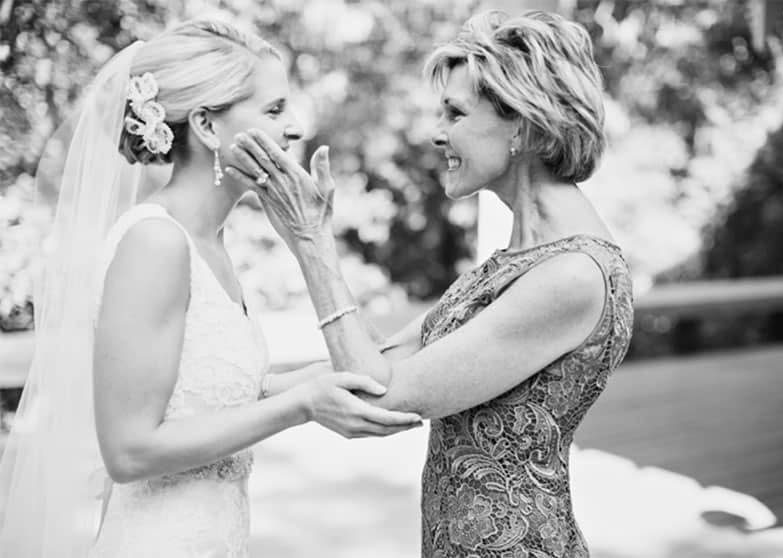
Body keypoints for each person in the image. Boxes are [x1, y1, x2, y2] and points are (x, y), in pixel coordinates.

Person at [0, 19, 420, 557]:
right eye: (274, 109)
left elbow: (219, 393)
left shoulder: (208, 244)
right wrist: (303, 407)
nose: (296, 126)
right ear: (205, 124)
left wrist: (385, 352)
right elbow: (128, 451)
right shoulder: (156, 243)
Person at [228, 9, 634, 558]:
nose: (435, 133)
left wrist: (311, 242)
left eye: (455, 113)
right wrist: (229, 388)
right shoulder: (519, 260)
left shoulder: (572, 275)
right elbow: (379, 359)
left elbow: (384, 393)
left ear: (522, 122)